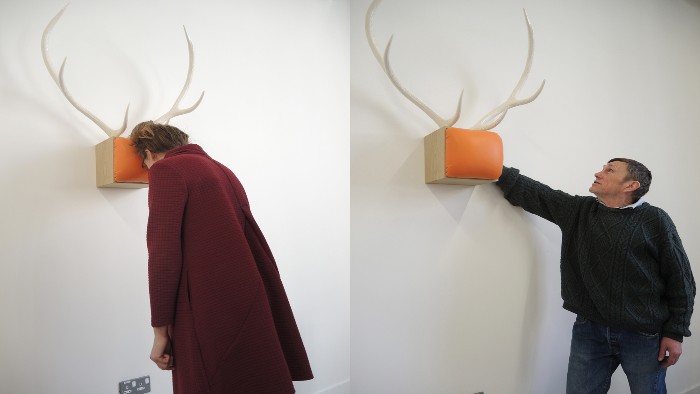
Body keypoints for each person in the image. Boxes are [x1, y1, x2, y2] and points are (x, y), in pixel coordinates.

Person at [130, 121, 313, 393]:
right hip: (246, 293)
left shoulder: (166, 169)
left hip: (203, 305)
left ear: (148, 153)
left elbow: (163, 254)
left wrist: (160, 331)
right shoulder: (223, 170)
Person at [495, 158, 695, 393]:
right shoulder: (580, 211)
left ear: (630, 185)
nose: (598, 173)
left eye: (609, 170)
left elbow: (681, 280)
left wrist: (675, 333)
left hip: (644, 334)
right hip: (590, 330)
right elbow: (537, 194)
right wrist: (492, 167)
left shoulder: (655, 221)